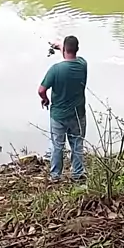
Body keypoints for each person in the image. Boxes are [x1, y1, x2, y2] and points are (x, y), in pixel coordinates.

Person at [38, 35, 87, 182]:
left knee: (57, 146)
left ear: (65, 49)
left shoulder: (55, 69)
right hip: (78, 114)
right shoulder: (83, 64)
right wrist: (60, 45)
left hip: (58, 116)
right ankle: (77, 174)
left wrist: (45, 99)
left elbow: (41, 90)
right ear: (77, 49)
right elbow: (70, 57)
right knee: (77, 144)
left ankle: (55, 176)